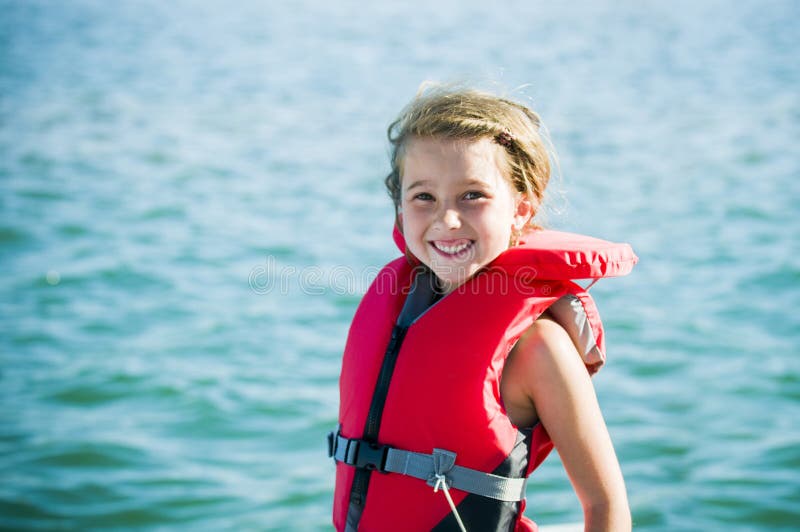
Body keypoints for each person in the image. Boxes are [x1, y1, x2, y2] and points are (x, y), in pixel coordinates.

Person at [328, 84, 636, 531]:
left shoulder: (539, 348)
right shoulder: (398, 313)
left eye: (472, 195)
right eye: (423, 197)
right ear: (399, 208)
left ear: (520, 210)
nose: (447, 220)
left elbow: (606, 508)